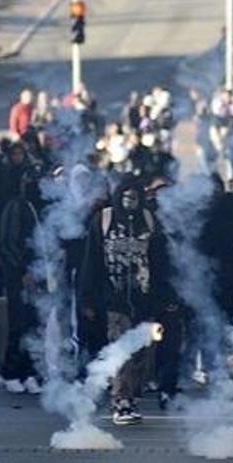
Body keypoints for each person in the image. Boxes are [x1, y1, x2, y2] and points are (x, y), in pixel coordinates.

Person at [79, 176, 170, 426]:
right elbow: (91, 260)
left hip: (144, 297)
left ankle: (132, 394)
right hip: (114, 298)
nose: (130, 201)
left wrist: (165, 296)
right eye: (125, 196)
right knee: (121, 349)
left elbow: (160, 261)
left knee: (143, 351)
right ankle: (121, 400)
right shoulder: (104, 220)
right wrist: (87, 297)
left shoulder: (150, 220)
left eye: (135, 196)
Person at [0, 169, 42, 394]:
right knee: (19, 324)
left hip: (37, 274)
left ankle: (29, 371)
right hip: (19, 277)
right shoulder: (15, 206)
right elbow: (8, 243)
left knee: (34, 324)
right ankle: (9, 371)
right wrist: (23, 271)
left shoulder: (37, 207)